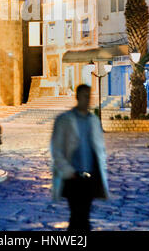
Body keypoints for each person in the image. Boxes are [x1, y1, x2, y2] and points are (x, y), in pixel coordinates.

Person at [50, 84, 109, 232]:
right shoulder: (64, 120)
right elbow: (56, 149)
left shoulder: (94, 121)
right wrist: (66, 170)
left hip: (90, 176)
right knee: (77, 215)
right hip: (73, 177)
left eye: (89, 96)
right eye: (84, 96)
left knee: (85, 216)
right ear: (77, 97)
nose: (87, 99)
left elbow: (98, 148)